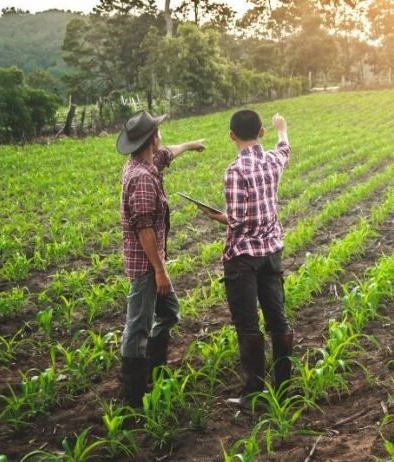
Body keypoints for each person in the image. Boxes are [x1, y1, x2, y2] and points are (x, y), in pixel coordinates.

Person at [202, 109, 293, 409]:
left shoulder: (235, 171)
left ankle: (254, 394)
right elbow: (285, 149)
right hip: (271, 252)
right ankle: (285, 386)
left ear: (231, 136)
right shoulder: (272, 160)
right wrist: (282, 128)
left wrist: (218, 216)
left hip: (242, 258)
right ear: (261, 133)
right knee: (277, 319)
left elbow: (237, 221)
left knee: (248, 326)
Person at [117, 110, 205, 408]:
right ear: (151, 138)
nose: (162, 136)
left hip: (152, 264)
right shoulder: (141, 178)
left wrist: (191, 144)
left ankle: (155, 370)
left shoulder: (147, 162)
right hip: (146, 266)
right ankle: (134, 397)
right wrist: (160, 271)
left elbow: (168, 153)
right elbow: (144, 231)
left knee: (168, 313)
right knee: (137, 326)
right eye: (158, 131)